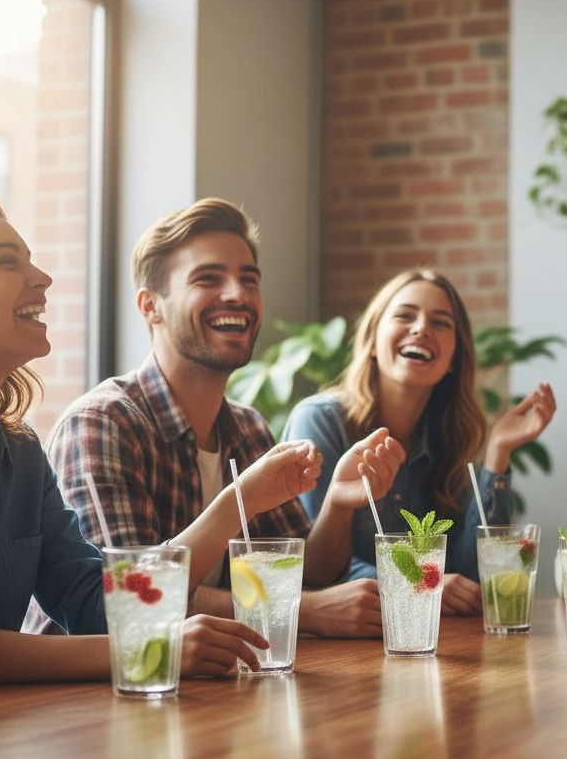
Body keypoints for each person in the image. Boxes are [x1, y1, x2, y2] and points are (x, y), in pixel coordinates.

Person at [0, 190, 305, 688]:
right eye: (7, 263)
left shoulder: (22, 453)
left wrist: (238, 501)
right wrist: (150, 647)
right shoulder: (99, 421)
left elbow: (99, 605)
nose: (43, 279)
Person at [46, 199, 404, 639]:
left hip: (209, 684)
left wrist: (337, 505)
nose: (238, 294)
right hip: (92, 693)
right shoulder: (102, 424)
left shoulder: (248, 428)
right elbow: (128, 596)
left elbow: (311, 576)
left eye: (249, 279)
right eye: (208, 279)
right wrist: (300, 611)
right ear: (149, 306)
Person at [284, 267, 556, 615]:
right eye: (404, 316)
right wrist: (421, 582)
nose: (421, 329)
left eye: (440, 323)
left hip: (430, 645)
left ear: (454, 360)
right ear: (371, 342)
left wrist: (497, 453)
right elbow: (310, 571)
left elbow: (472, 573)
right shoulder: (320, 420)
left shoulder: (454, 437)